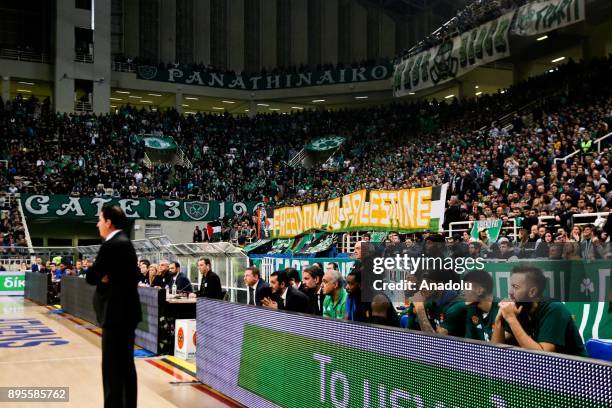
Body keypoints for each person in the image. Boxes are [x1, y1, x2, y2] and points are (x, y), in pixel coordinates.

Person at [85, 205, 141, 408]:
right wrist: (105, 277)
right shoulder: (125, 243)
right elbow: (131, 276)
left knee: (112, 369)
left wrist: (104, 278)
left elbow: (91, 276)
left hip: (116, 314)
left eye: (100, 220)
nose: (98, 224)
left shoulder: (112, 245)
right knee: (125, 366)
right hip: (124, 314)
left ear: (109, 222)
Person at [491, 266, 586, 356]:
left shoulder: (554, 309)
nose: (510, 292)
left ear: (532, 292)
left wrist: (511, 318)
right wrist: (499, 320)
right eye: (511, 286)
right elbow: (496, 352)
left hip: (575, 369)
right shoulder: (520, 309)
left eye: (515, 287)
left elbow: (543, 356)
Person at [463, 269, 499, 342]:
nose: (463, 292)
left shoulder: (501, 310)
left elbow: (499, 347)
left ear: (479, 290)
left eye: (467, 288)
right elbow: (469, 343)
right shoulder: (472, 309)